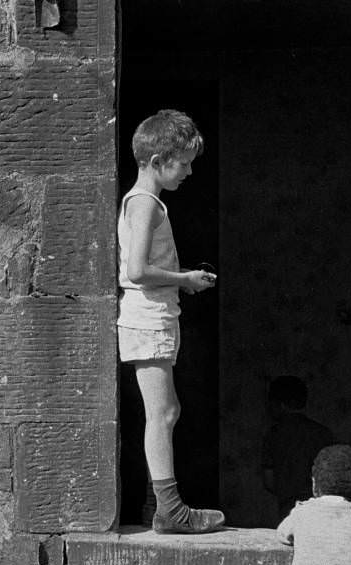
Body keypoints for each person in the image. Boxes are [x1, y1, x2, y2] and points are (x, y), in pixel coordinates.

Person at [118, 109, 224, 534]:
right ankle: (170, 510)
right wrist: (185, 280)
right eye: (184, 162)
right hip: (149, 316)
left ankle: (155, 504)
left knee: (166, 411)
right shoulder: (145, 203)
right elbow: (137, 269)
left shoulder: (145, 202)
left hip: (155, 316)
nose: (190, 171)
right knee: (162, 413)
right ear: (159, 161)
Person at [259, 376, 335, 523]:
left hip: (287, 508)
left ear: (279, 405)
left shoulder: (274, 435)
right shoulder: (323, 433)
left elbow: (269, 480)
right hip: (323, 508)